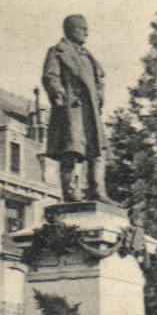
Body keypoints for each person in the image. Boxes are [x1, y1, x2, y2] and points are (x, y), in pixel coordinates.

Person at [41, 14, 106, 202]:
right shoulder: (57, 51)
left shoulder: (89, 56)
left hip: (90, 111)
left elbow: (99, 78)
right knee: (71, 151)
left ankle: (98, 191)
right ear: (70, 30)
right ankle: (70, 192)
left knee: (98, 151)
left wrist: (101, 94)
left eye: (87, 29)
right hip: (72, 109)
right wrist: (58, 94)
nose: (87, 33)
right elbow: (50, 76)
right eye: (82, 28)